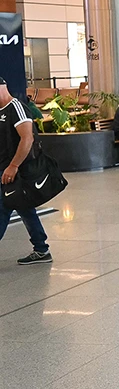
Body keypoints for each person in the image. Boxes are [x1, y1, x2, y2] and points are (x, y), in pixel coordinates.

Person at [0, 76, 52, 265]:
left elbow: (27, 139)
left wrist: (13, 166)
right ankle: (41, 248)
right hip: (5, 169)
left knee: (3, 208)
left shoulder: (17, 108)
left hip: (15, 171)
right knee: (24, 207)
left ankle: (41, 248)